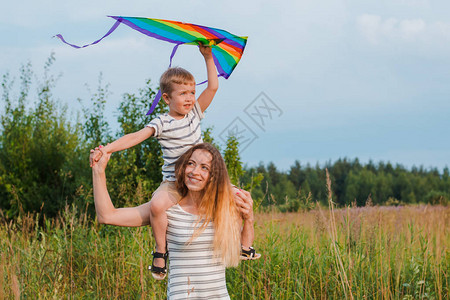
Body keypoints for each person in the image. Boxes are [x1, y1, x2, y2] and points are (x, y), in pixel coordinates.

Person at [90, 43, 222, 279]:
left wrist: (208, 56)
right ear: (166, 98)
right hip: (174, 183)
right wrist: (107, 149)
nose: (190, 98)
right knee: (157, 206)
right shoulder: (162, 122)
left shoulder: (195, 113)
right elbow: (136, 137)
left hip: (201, 180)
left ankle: (245, 245)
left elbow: (212, 87)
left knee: (238, 197)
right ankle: (161, 250)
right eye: (183, 94)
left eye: (192, 92)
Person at [91, 143, 259, 299]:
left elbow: (242, 249)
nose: (194, 172)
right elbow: (107, 216)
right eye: (191, 163)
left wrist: (249, 219)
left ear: (213, 176)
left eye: (204, 167)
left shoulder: (222, 209)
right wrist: (98, 171)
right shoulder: (167, 209)